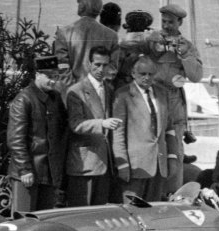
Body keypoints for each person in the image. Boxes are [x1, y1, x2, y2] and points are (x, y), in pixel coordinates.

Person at [130, 4, 203, 194]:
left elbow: (196, 76)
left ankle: (172, 194)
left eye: (171, 22)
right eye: (164, 21)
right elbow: (125, 44)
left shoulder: (187, 46)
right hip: (152, 99)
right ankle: (150, 192)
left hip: (173, 103)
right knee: (151, 146)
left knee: (175, 152)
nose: (167, 25)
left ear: (180, 22)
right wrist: (148, 40)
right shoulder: (153, 39)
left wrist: (184, 55)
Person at [7, 55, 68, 212]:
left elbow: (61, 132)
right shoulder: (24, 99)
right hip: (28, 172)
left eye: (56, 76)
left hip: (48, 172)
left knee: (43, 220)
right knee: (23, 220)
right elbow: (16, 139)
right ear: (37, 75)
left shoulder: (55, 98)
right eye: (49, 76)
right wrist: (24, 169)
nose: (53, 81)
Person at [112, 56, 178, 202]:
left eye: (150, 74)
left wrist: (172, 157)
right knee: (133, 211)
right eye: (143, 74)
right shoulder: (123, 95)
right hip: (135, 167)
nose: (147, 78)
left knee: (153, 211)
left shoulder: (162, 93)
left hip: (159, 166)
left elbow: (169, 129)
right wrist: (122, 164)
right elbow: (118, 133)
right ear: (133, 74)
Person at [66, 46, 121, 207]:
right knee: (82, 213)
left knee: (98, 213)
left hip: (104, 162)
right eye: (97, 64)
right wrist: (102, 124)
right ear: (89, 64)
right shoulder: (76, 91)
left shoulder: (109, 89)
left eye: (105, 65)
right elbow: (76, 124)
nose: (100, 69)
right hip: (84, 163)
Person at [55, 0, 119, 87]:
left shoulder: (64, 33)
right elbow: (112, 68)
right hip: (100, 92)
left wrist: (74, 89)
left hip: (71, 93)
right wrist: (98, 87)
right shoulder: (112, 35)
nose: (78, 3)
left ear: (83, 6)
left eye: (79, 1)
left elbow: (62, 66)